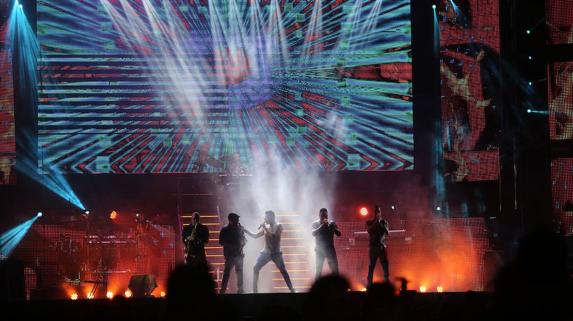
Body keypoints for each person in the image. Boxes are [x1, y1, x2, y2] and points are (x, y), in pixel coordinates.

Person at [247, 210, 295, 293]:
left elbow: (274, 237)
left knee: (283, 271)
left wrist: (265, 227)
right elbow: (255, 236)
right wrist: (245, 231)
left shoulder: (279, 226)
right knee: (256, 268)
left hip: (276, 253)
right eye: (264, 217)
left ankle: (292, 289)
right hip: (266, 253)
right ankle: (255, 291)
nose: (265, 219)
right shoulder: (267, 228)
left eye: (266, 217)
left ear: (271, 217)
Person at [218, 213, 246, 294]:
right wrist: (231, 246)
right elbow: (221, 242)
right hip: (230, 255)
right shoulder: (224, 229)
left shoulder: (239, 228)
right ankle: (222, 291)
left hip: (239, 255)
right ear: (230, 220)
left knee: (239, 272)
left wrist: (243, 243)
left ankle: (240, 291)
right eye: (236, 219)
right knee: (227, 273)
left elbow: (243, 239)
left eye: (238, 219)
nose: (238, 221)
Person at [312, 208, 341, 279]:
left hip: (330, 250)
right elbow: (313, 233)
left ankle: (337, 287)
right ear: (319, 215)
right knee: (318, 270)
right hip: (319, 250)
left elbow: (339, 234)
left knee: (335, 270)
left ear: (327, 215)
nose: (324, 217)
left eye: (325, 215)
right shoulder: (315, 223)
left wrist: (334, 228)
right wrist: (322, 227)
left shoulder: (332, 223)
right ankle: (318, 289)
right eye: (322, 215)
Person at [366, 205, 389, 287]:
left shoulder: (384, 222)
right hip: (373, 247)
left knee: (385, 266)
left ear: (380, 212)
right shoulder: (369, 222)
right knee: (371, 266)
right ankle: (369, 284)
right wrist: (376, 222)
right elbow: (369, 230)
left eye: (378, 211)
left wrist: (380, 223)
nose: (377, 213)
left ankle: (387, 284)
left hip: (382, 247)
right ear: (374, 213)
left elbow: (387, 232)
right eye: (376, 212)